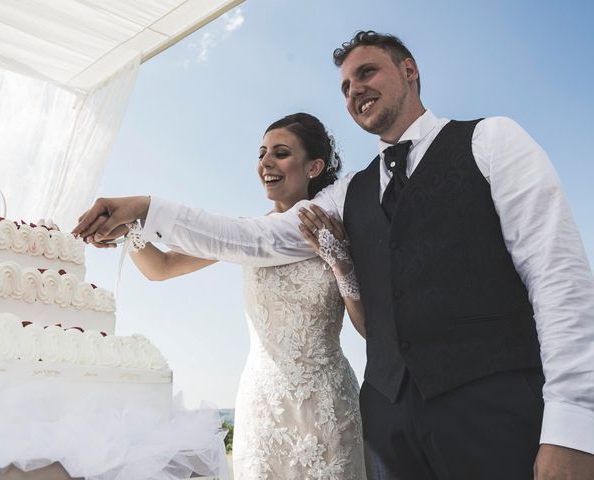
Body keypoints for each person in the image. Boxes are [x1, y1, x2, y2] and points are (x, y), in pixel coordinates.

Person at [73, 32, 594, 479]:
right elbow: (254, 240)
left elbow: (559, 280)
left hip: (491, 409)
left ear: (409, 71)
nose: (355, 90)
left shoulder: (491, 140)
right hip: (389, 427)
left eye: (367, 72)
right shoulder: (346, 197)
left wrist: (574, 423)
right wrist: (144, 212)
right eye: (345, 85)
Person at [89, 113, 367, 479]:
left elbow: (367, 328)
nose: (265, 162)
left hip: (326, 404)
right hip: (263, 406)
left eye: (281, 153)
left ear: (314, 166)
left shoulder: (336, 227)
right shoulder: (244, 237)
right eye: (262, 152)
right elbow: (162, 268)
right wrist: (130, 231)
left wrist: (340, 261)